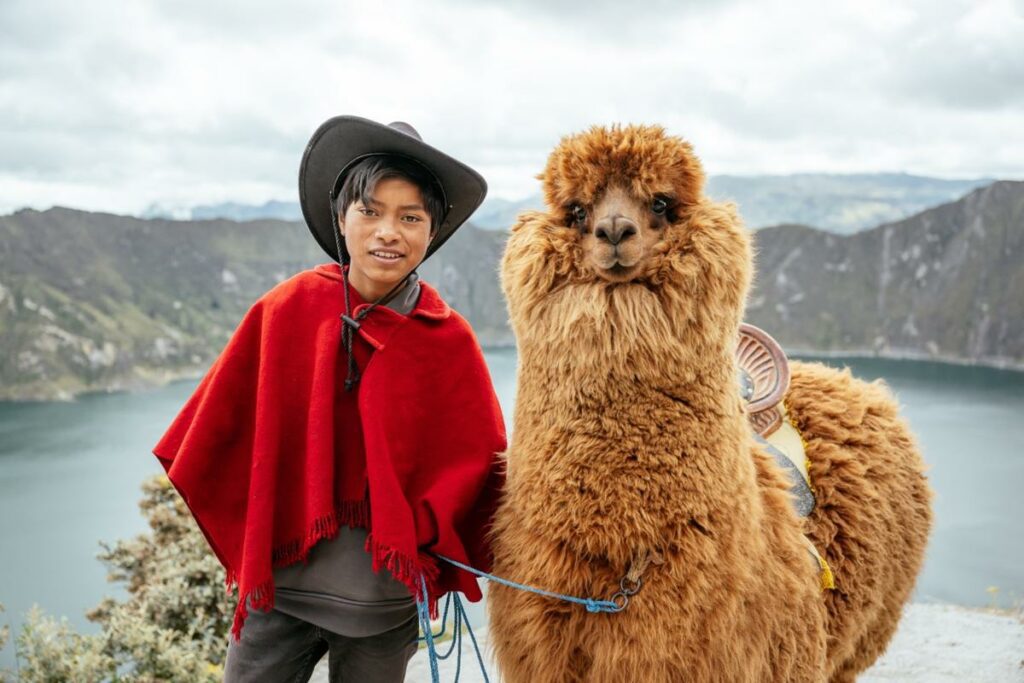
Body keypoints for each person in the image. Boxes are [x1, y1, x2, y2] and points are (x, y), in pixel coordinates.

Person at [152, 116, 507, 682]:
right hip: (281, 591)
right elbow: (217, 433)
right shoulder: (287, 310)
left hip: (383, 608)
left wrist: (424, 536)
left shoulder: (448, 339)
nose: (388, 231)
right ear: (342, 221)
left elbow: (478, 470)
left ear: (431, 233)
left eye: (410, 217)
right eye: (370, 211)